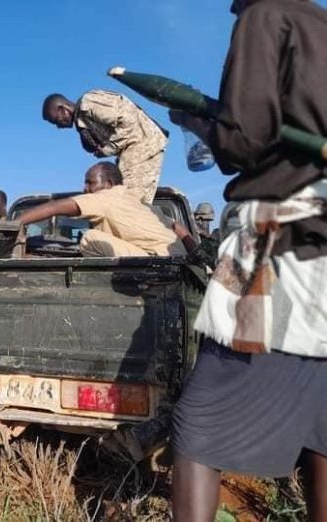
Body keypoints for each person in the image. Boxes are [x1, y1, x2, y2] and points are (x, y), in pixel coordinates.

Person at [168, 1, 327, 520]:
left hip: (272, 244)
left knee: (199, 421)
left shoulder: (265, 16)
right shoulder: (320, 25)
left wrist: (199, 119)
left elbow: (244, 141)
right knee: (321, 426)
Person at [17, 162, 186, 257]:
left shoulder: (107, 197)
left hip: (158, 263)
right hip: (178, 258)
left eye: (90, 182)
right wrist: (196, 254)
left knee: (90, 238)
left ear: (109, 184)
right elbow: (177, 226)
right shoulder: (139, 203)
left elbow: (56, 206)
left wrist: (14, 223)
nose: (85, 188)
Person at [42, 90, 168, 204]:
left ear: (63, 109)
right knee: (124, 200)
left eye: (56, 120)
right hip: (133, 150)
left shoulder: (88, 103)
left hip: (143, 146)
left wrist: (109, 148)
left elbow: (129, 119)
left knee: (130, 203)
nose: (58, 126)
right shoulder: (82, 121)